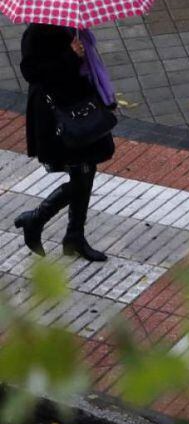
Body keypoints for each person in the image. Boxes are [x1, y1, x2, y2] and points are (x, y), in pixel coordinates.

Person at [14, 24, 116, 262]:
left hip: (81, 105)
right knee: (83, 171)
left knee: (86, 170)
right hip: (57, 112)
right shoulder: (36, 33)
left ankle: (73, 236)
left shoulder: (73, 27)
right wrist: (70, 55)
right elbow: (32, 73)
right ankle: (38, 219)